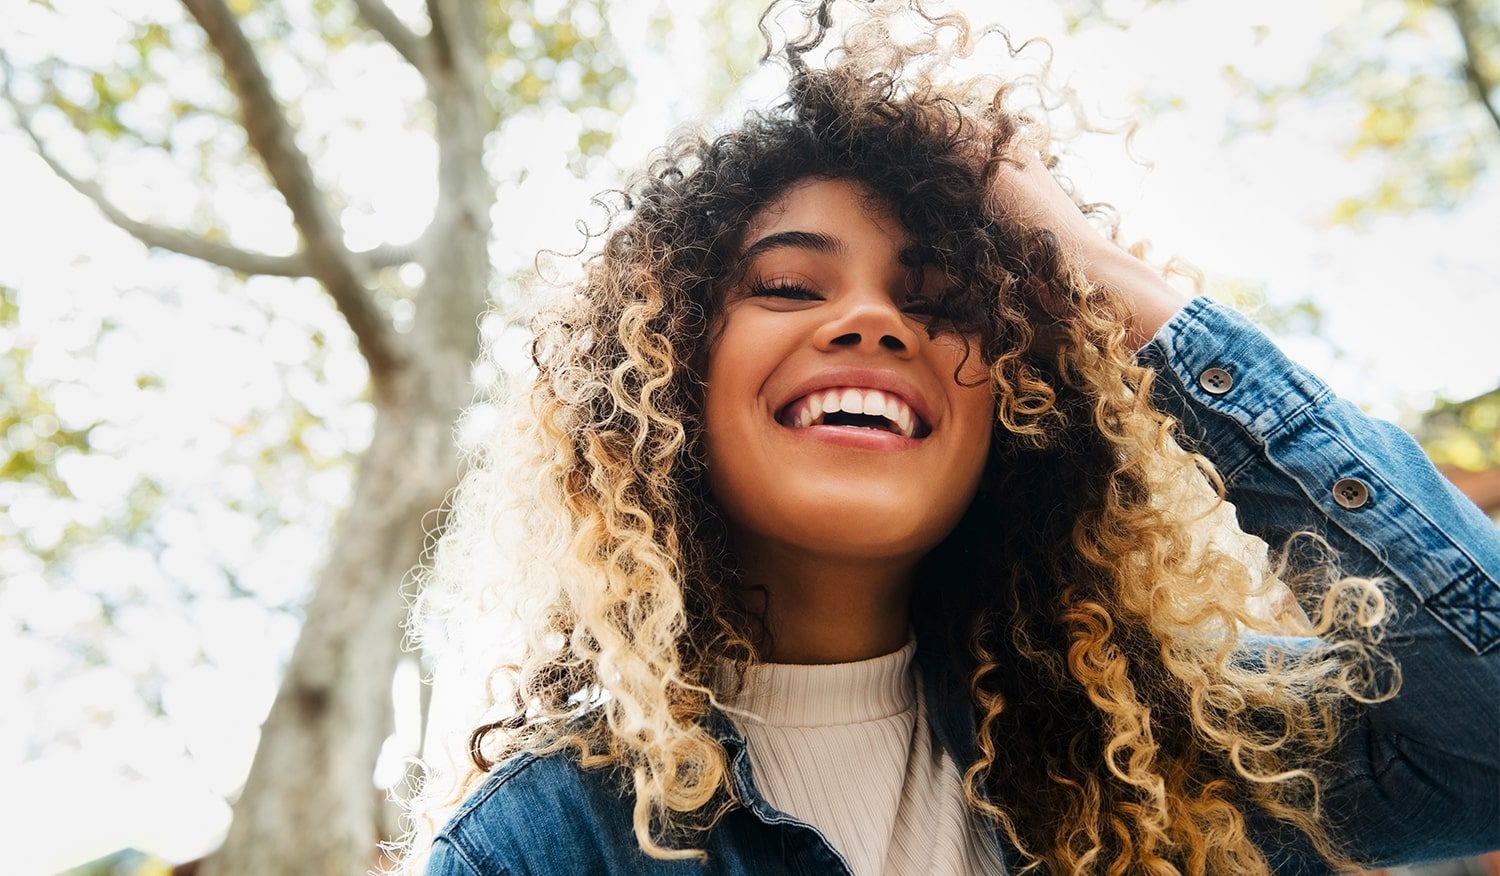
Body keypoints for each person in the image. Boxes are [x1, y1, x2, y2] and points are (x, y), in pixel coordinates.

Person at [396, 3, 1500, 873]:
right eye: (787, 283)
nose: (874, 321)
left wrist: (1112, 285)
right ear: (669, 383)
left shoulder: (1184, 754)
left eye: (937, 298)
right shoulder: (537, 847)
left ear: (1022, 412)